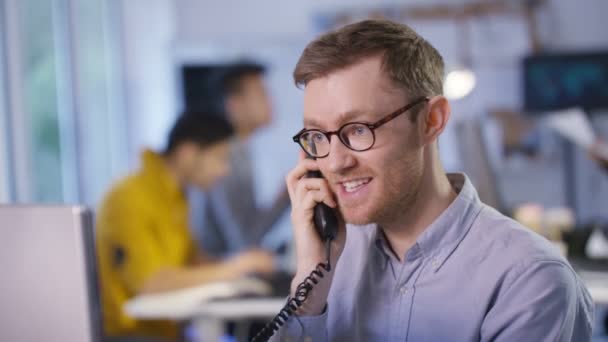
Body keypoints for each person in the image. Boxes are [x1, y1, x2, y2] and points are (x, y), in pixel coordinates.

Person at [271, 19, 594, 341]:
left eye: (358, 130)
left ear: (431, 120)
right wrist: (310, 288)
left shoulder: (528, 279)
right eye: (317, 136)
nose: (336, 162)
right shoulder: (329, 263)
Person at [96, 113, 275, 341]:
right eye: (220, 158)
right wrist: (236, 267)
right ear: (188, 154)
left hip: (170, 332)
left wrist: (243, 263)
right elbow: (151, 283)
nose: (225, 170)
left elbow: (191, 262)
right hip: (131, 335)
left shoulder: (178, 197)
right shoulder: (127, 198)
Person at [195, 63, 290, 256]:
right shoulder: (225, 156)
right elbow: (243, 242)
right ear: (235, 105)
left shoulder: (240, 151)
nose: (270, 101)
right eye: (262, 94)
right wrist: (288, 193)